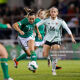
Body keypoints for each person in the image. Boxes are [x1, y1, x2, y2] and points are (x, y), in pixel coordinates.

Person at [36, 7, 76, 75]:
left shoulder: (61, 21)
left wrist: (72, 37)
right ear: (50, 13)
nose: (53, 13)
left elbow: (67, 29)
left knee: (55, 54)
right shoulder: (46, 20)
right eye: (52, 12)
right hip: (48, 39)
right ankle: (48, 58)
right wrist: (39, 33)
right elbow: (36, 25)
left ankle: (53, 70)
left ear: (57, 13)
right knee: (44, 55)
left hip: (56, 39)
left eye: (55, 12)